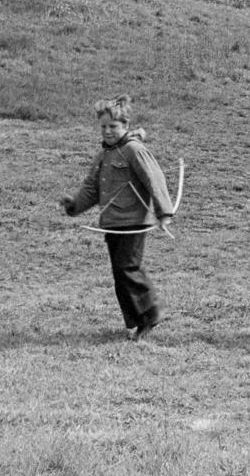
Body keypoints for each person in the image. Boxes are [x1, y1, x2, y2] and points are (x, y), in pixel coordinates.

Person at [60, 95, 174, 341]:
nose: (108, 131)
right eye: (103, 127)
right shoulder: (104, 155)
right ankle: (134, 321)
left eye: (113, 126)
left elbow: (154, 179)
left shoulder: (134, 150)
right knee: (120, 273)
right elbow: (92, 188)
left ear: (125, 126)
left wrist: (164, 212)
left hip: (134, 223)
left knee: (128, 268)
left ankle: (150, 314)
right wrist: (74, 206)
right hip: (112, 224)